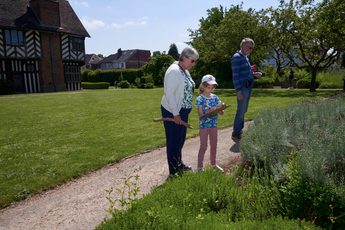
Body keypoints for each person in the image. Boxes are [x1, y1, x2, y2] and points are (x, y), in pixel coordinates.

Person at [161, 46, 199, 177]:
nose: (194, 64)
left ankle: (179, 164)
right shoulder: (174, 71)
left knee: (180, 140)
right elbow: (169, 94)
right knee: (173, 141)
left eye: (195, 61)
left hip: (182, 111)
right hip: (173, 111)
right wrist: (175, 114)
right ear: (184, 57)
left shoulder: (184, 70)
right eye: (193, 61)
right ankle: (173, 171)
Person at [231, 38, 262, 141]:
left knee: (243, 110)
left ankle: (239, 130)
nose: (251, 49)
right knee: (241, 110)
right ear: (243, 46)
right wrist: (238, 91)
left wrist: (254, 74)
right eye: (249, 47)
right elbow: (235, 76)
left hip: (247, 87)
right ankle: (236, 133)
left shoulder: (245, 57)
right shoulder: (237, 57)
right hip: (242, 88)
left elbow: (245, 72)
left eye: (252, 48)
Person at [195, 74, 224, 172]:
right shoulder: (200, 98)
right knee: (203, 146)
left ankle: (213, 164)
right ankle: (199, 167)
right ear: (203, 86)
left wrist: (220, 109)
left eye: (212, 87)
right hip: (204, 126)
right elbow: (200, 115)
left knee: (214, 145)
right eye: (208, 87)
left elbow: (221, 113)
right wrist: (209, 111)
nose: (210, 89)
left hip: (213, 125)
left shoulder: (215, 97)